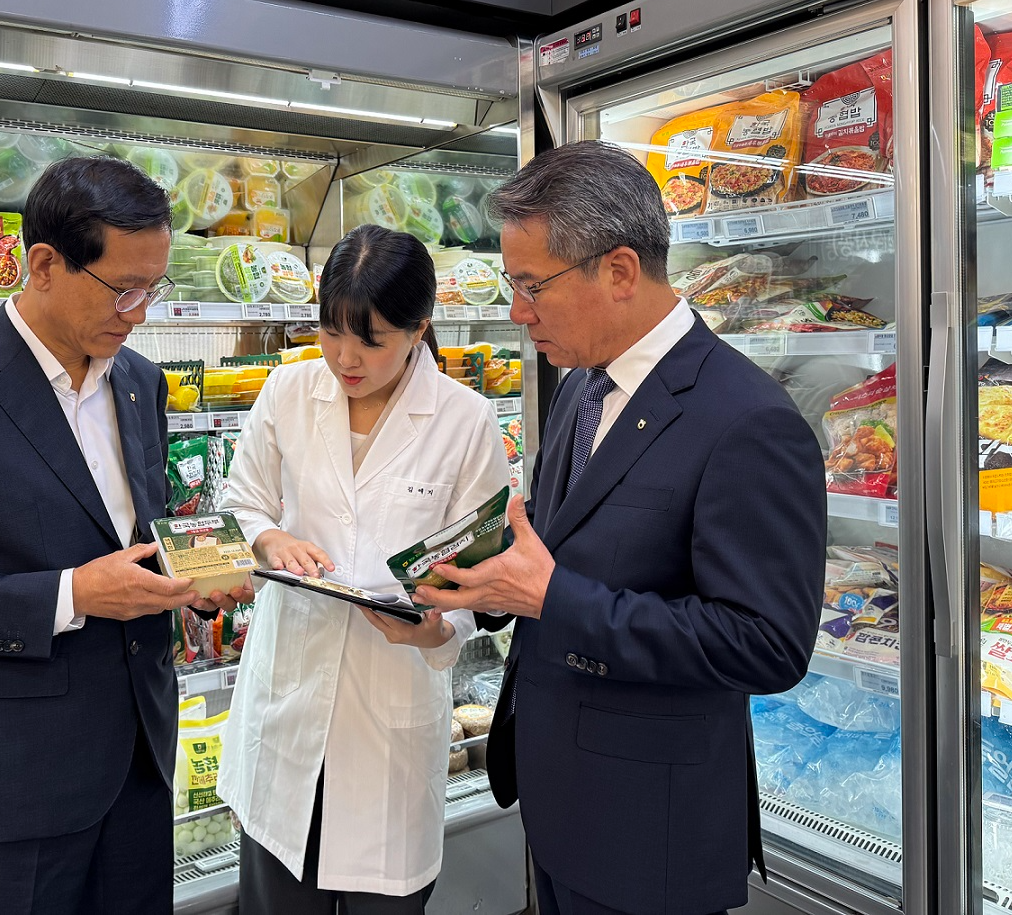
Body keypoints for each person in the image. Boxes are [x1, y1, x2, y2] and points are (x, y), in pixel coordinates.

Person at [418, 140, 827, 915]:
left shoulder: (748, 422)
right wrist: (473, 581)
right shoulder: (582, 386)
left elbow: (767, 643)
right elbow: (564, 540)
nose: (517, 311)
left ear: (619, 271)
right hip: (562, 804)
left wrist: (553, 598)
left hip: (651, 836)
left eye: (532, 285)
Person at [0, 156, 248, 915]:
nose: (139, 312)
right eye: (124, 289)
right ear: (43, 264)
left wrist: (192, 573)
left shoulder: (138, 382)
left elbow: (134, 530)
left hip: (138, 760)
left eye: (152, 289)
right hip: (13, 784)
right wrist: (72, 594)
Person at [218, 224, 510, 914]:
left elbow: (481, 571)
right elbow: (242, 502)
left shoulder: (465, 420)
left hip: (390, 718)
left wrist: (434, 630)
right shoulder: (287, 392)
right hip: (286, 710)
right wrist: (270, 540)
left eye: (371, 339)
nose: (346, 357)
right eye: (331, 333)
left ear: (419, 329)